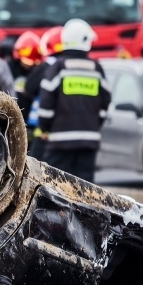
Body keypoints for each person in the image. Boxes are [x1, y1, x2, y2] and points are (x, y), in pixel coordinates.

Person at [31, 19, 110, 182]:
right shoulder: (97, 68)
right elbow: (105, 102)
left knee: (57, 186)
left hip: (60, 141)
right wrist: (94, 124)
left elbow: (46, 104)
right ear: (84, 41)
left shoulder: (58, 68)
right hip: (89, 140)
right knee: (86, 189)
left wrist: (45, 127)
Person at [8, 31, 43, 119]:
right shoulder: (9, 67)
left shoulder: (41, 70)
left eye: (33, 62)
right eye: (27, 61)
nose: (30, 64)